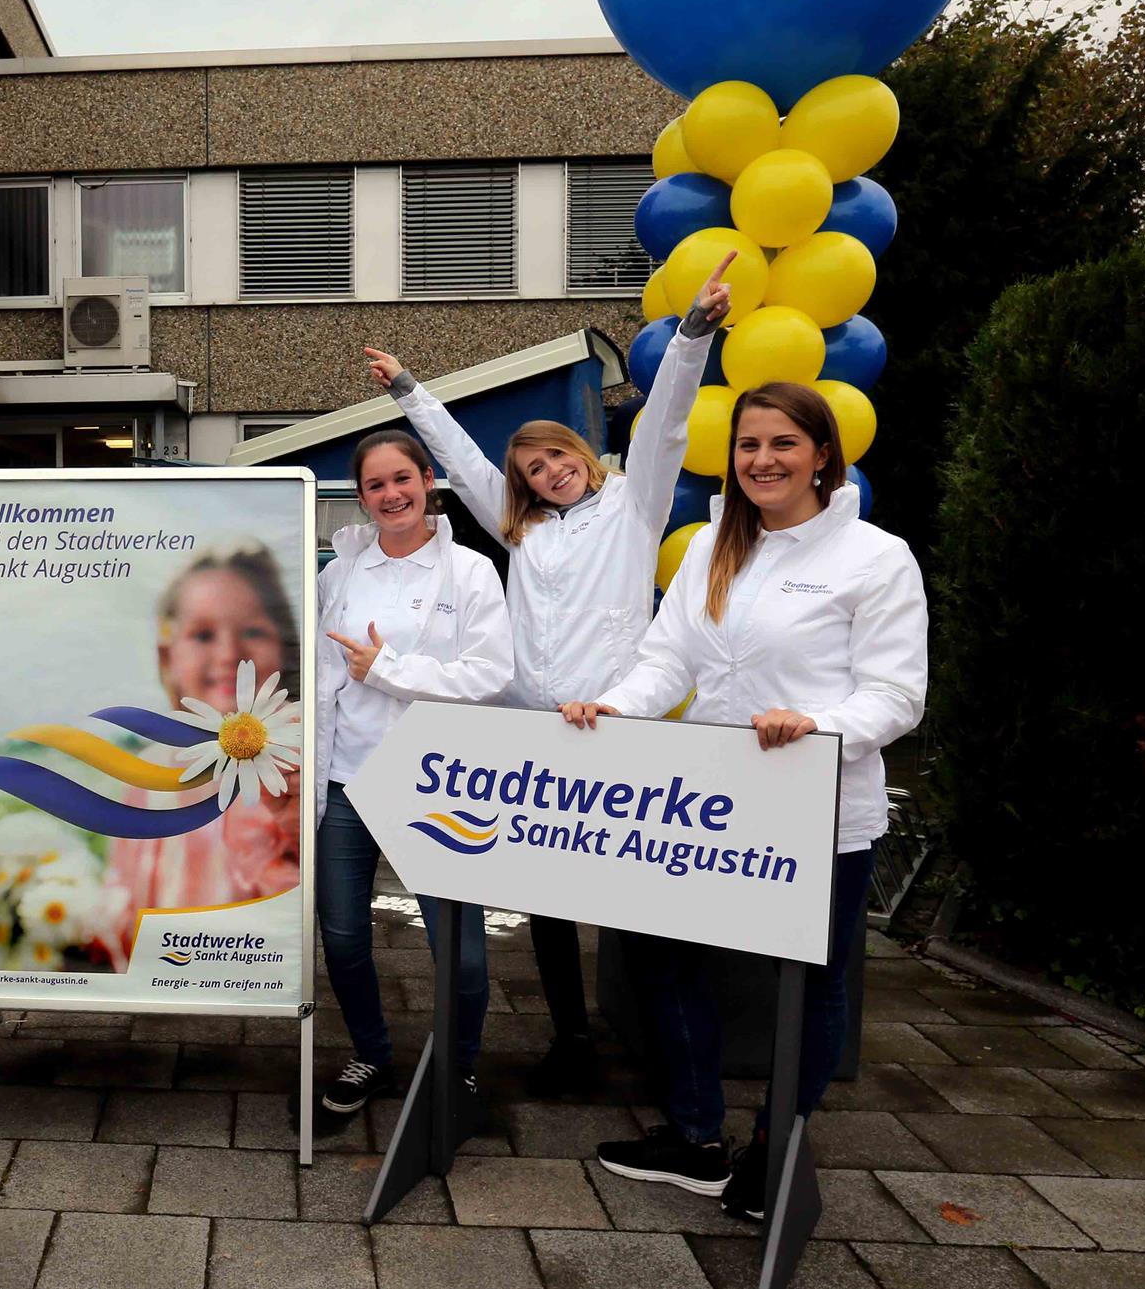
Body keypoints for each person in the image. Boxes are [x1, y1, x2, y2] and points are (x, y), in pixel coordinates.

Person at [362, 255, 734, 1095]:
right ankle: (571, 1038)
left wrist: (692, 336)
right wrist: (408, 392)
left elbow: (669, 422)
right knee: (545, 897)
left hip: (616, 722)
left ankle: (652, 1034)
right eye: (531, 470)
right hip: (533, 728)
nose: (548, 474)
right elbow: (454, 453)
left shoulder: (634, 504)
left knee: (635, 887)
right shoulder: (520, 527)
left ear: (582, 454)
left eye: (557, 459)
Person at [561, 381, 927, 1220]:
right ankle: (694, 1138)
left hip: (818, 808)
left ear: (824, 454)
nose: (762, 460)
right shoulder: (712, 550)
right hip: (712, 807)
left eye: (783, 444)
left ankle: (775, 1148)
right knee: (667, 957)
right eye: (749, 445)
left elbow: (898, 695)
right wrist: (613, 706)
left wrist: (818, 724)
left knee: (813, 981)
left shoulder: (875, 557)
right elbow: (666, 663)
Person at [312, 430, 517, 1113]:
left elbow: (491, 674)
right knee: (341, 936)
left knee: (457, 950)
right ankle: (371, 1053)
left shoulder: (470, 571)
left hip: (438, 782)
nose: (392, 494)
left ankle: (457, 1069)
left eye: (402, 478)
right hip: (349, 777)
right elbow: (315, 675)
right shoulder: (340, 575)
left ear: (428, 479)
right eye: (376, 485)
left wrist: (390, 671)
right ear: (362, 497)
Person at [103, 545, 304, 961]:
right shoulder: (147, 770)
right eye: (203, 635)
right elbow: (123, 891)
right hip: (158, 980)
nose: (229, 654)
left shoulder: (296, 761)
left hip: (251, 970)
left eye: (253, 631)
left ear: (286, 648)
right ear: (168, 658)